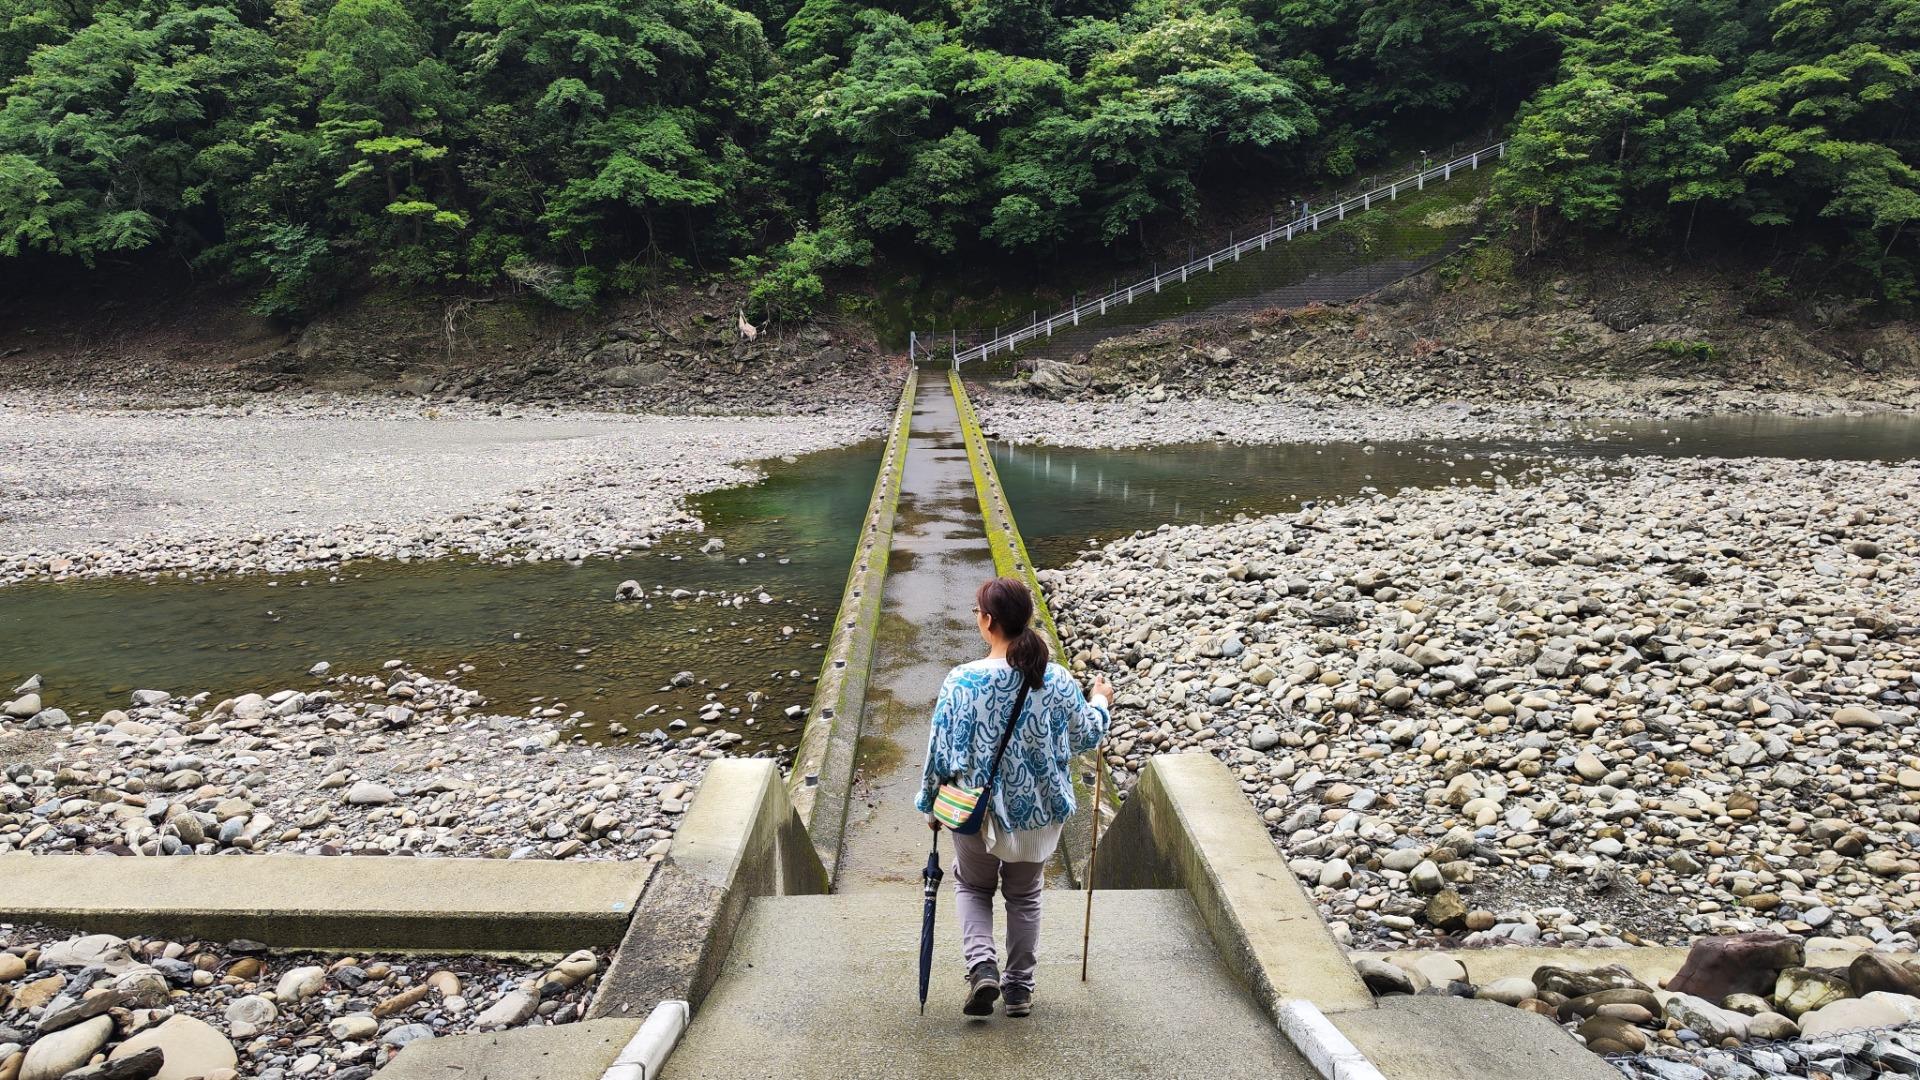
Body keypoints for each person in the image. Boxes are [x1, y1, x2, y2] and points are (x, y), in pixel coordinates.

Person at [915, 576, 1111, 1019]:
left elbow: (939, 752)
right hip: (1038, 813)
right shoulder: (1055, 678)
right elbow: (1086, 734)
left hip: (976, 811)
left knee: (973, 886)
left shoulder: (962, 681)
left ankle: (982, 967)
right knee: (1024, 897)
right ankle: (1019, 989)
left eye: (977, 613)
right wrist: (1100, 700)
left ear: (987, 621)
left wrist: (930, 805)